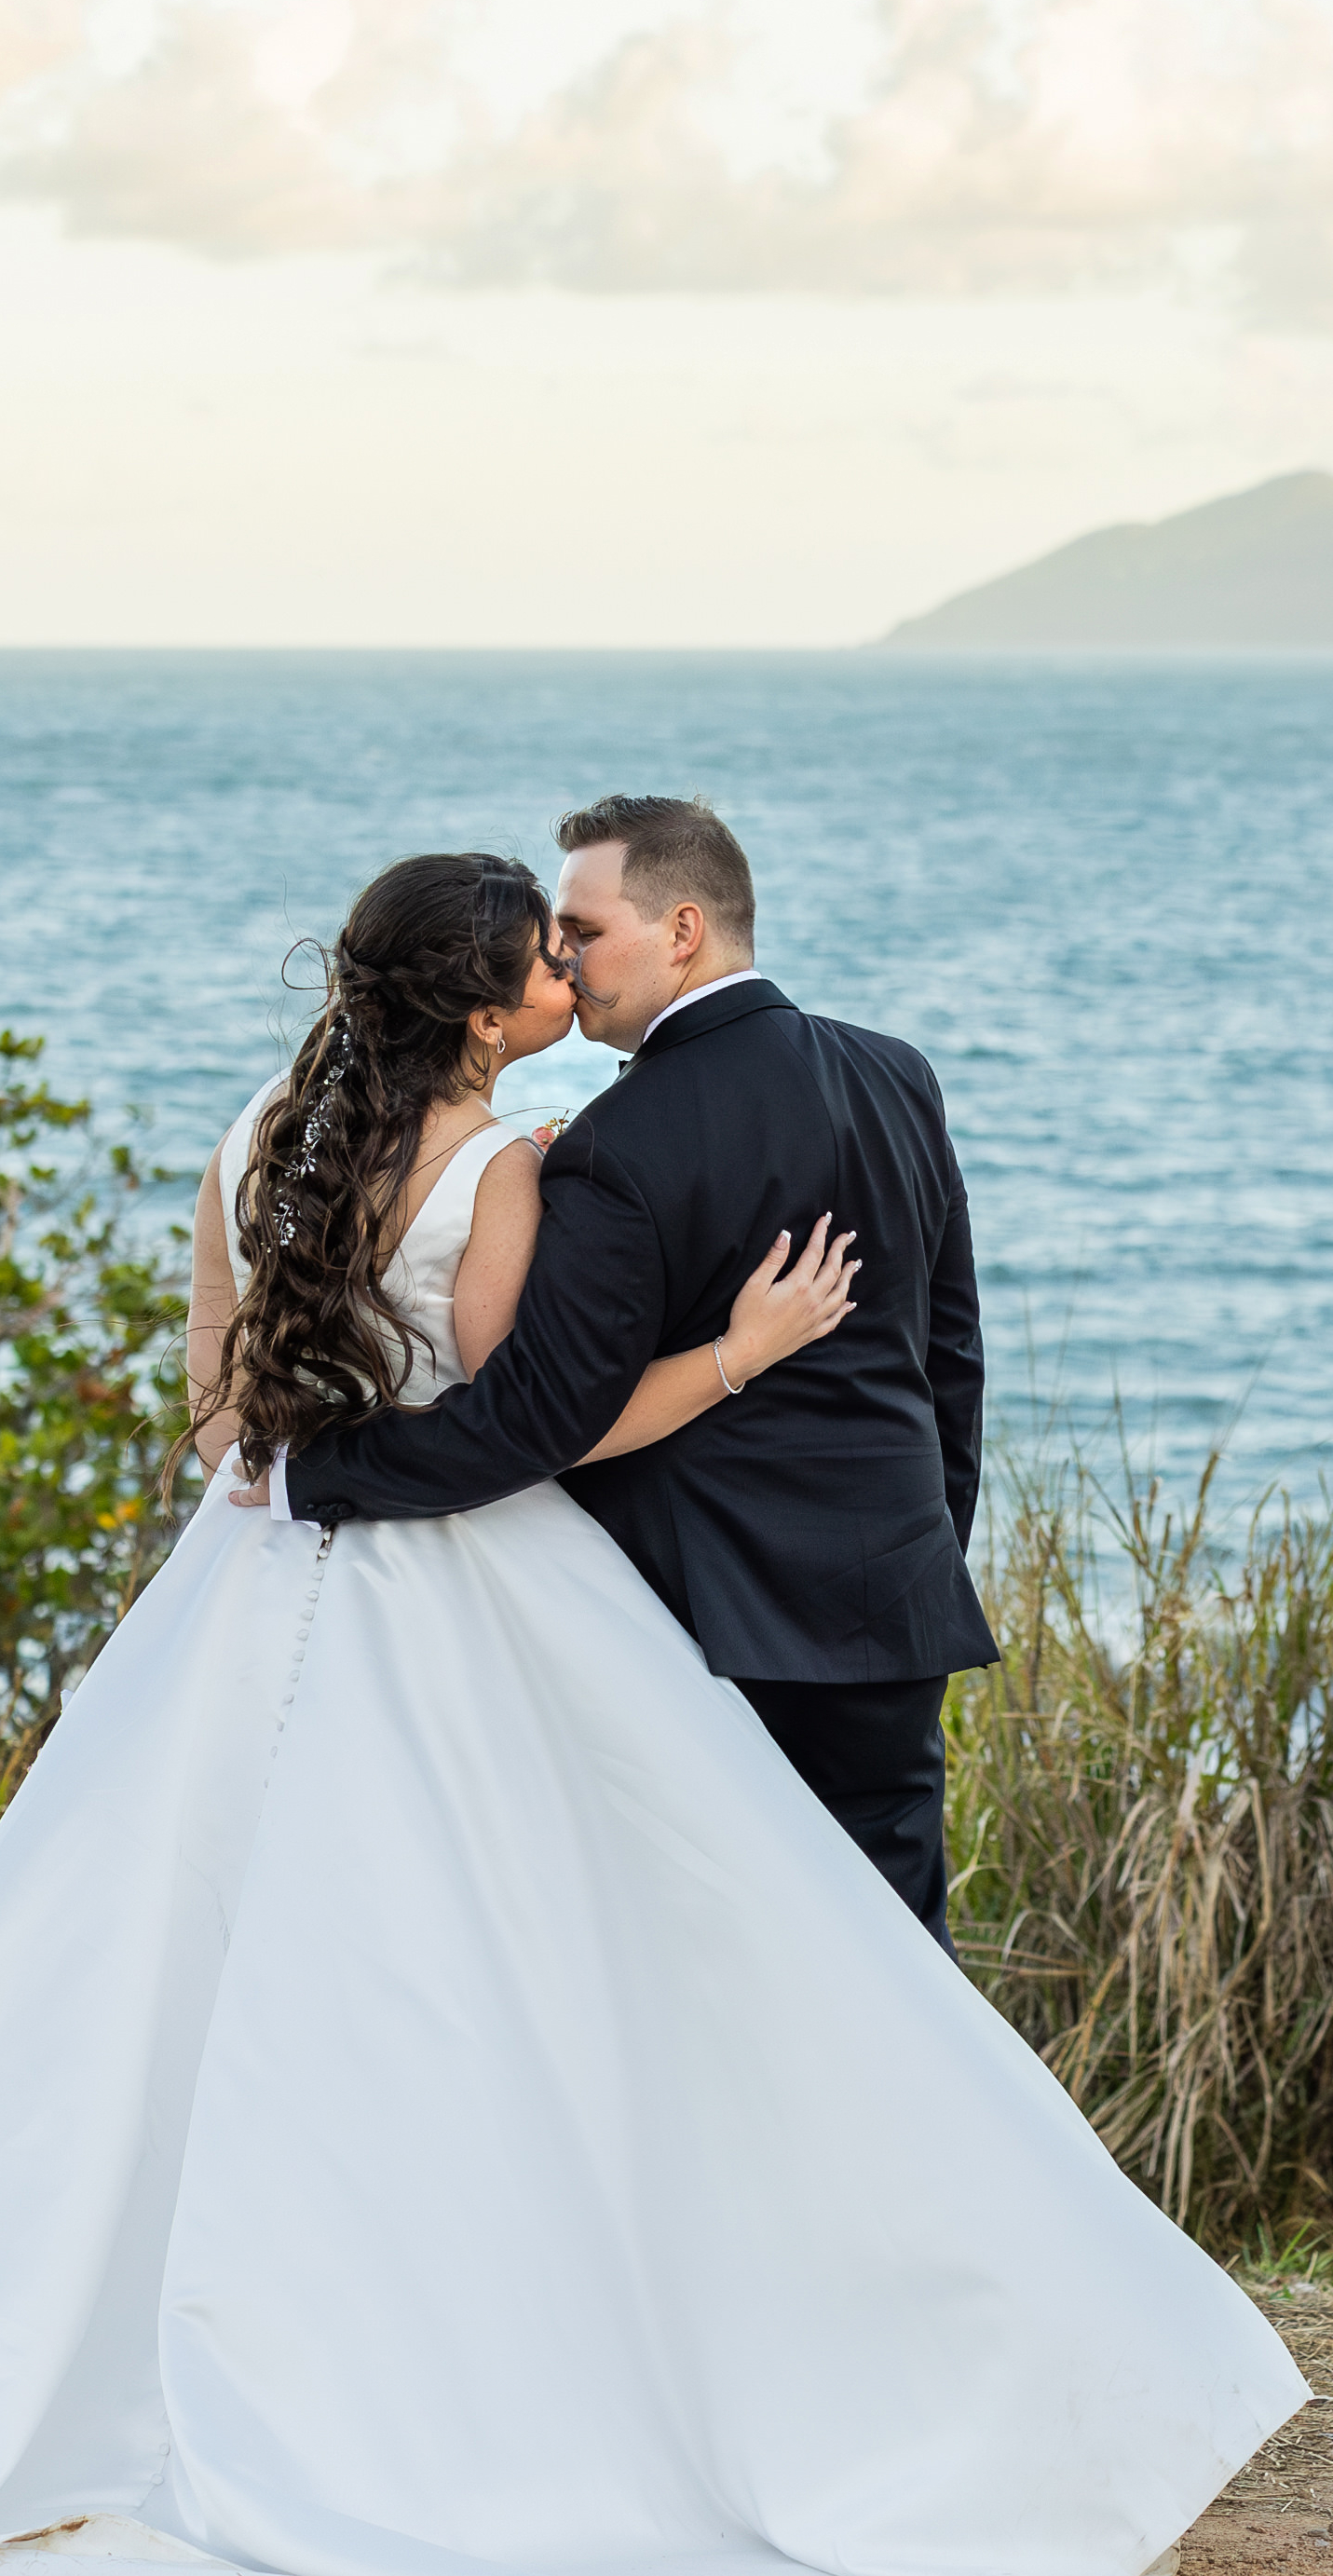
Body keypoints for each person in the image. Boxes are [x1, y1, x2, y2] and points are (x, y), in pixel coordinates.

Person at [0, 848, 1303, 2576]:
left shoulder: (254, 1140)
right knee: (550, 1966)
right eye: (543, 957)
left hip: (243, 1576)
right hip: (457, 1585)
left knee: (181, 1958)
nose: (567, 977)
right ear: (483, 1015)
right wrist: (745, 1348)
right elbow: (543, 1422)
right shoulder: (510, 1165)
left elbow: (218, 1405)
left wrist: (288, 1477)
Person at [276, 795, 994, 1934]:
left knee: (709, 1960)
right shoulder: (897, 1075)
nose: (564, 959)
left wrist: (315, 1471)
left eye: (584, 929)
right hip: (895, 1606)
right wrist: (926, 1544)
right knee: (897, 1959)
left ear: (683, 929)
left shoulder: (619, 1144)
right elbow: (950, 1358)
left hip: (712, 1625)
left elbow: (538, 1415)